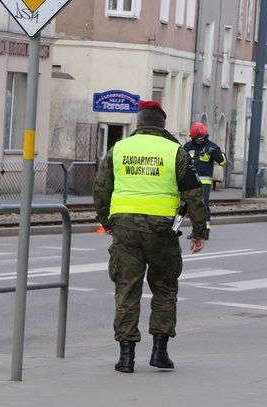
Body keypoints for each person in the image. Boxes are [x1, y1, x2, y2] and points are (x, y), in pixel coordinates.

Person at [93, 100, 207, 373]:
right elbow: (193, 194)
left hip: (125, 231)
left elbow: (100, 189)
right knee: (165, 289)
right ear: (163, 125)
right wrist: (199, 231)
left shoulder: (118, 149)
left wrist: (106, 221)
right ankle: (159, 352)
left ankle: (126, 357)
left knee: (127, 290)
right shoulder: (175, 151)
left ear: (139, 124)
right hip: (162, 233)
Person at [183, 122, 226, 239]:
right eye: (197, 138)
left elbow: (223, 162)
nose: (199, 140)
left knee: (203, 204)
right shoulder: (188, 147)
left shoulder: (211, 147)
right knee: (192, 206)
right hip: (191, 181)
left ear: (205, 136)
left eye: (201, 138)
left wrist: (217, 153)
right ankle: (195, 230)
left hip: (204, 182)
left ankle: (205, 231)